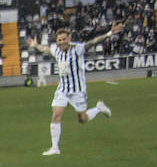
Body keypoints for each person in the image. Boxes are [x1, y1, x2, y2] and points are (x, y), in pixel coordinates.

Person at [28, 23, 121, 156]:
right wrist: (35, 45)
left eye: (64, 39)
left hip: (78, 90)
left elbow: (93, 42)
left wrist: (109, 34)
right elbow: (46, 49)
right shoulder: (57, 51)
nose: (62, 42)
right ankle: (55, 147)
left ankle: (99, 108)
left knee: (82, 119)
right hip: (63, 89)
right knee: (56, 114)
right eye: (59, 40)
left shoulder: (78, 49)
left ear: (69, 38)